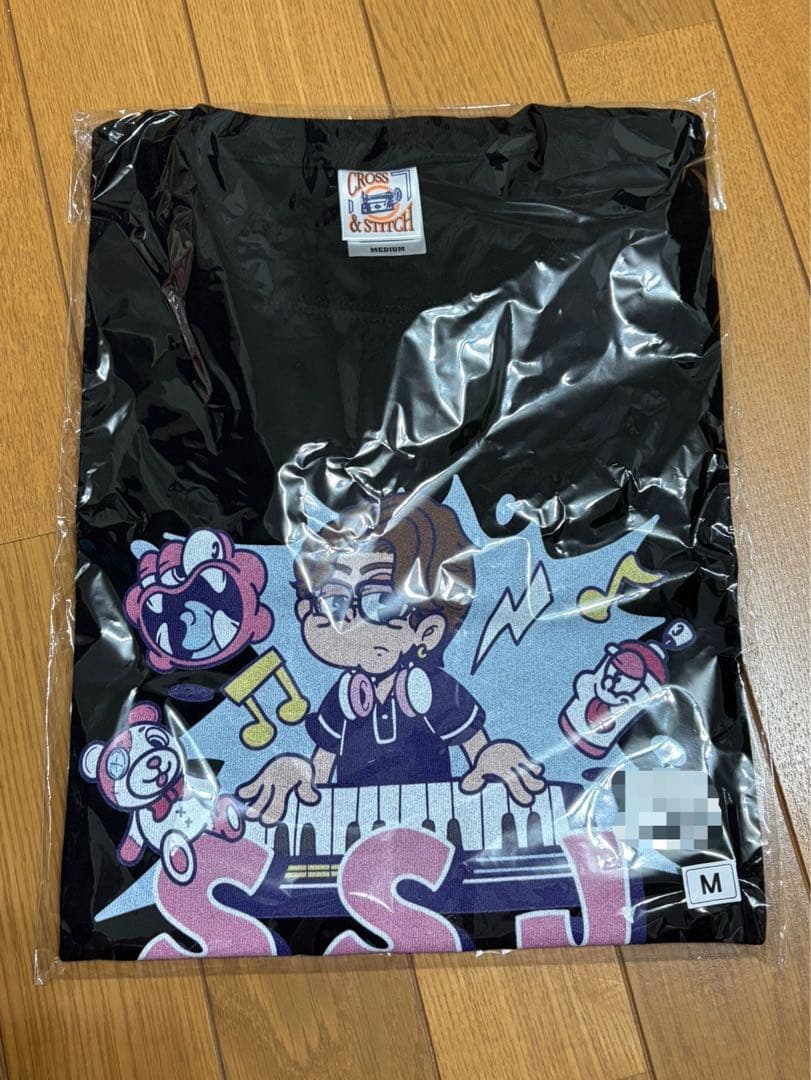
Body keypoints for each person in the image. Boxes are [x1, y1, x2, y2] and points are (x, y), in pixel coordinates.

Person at [237, 492, 545, 826]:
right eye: (333, 599)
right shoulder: (345, 698)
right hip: (351, 828)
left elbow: (477, 750)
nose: (348, 619)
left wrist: (491, 757)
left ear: (427, 632)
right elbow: (319, 776)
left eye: (379, 601)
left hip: (437, 825)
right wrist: (297, 773)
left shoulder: (433, 691)